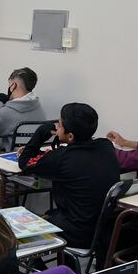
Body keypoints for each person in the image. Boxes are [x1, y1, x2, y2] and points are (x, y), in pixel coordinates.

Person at [17, 102, 121, 249]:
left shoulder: (61, 157)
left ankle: (40, 269)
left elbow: (25, 162)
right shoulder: (106, 146)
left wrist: (40, 133)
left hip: (74, 232)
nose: (56, 127)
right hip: (103, 230)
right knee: (51, 214)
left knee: (22, 229)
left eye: (59, 124)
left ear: (70, 136)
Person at [0, 67, 48, 148]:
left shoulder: (7, 113)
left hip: (12, 156)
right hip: (34, 155)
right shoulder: (37, 106)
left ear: (13, 85)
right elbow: (13, 113)